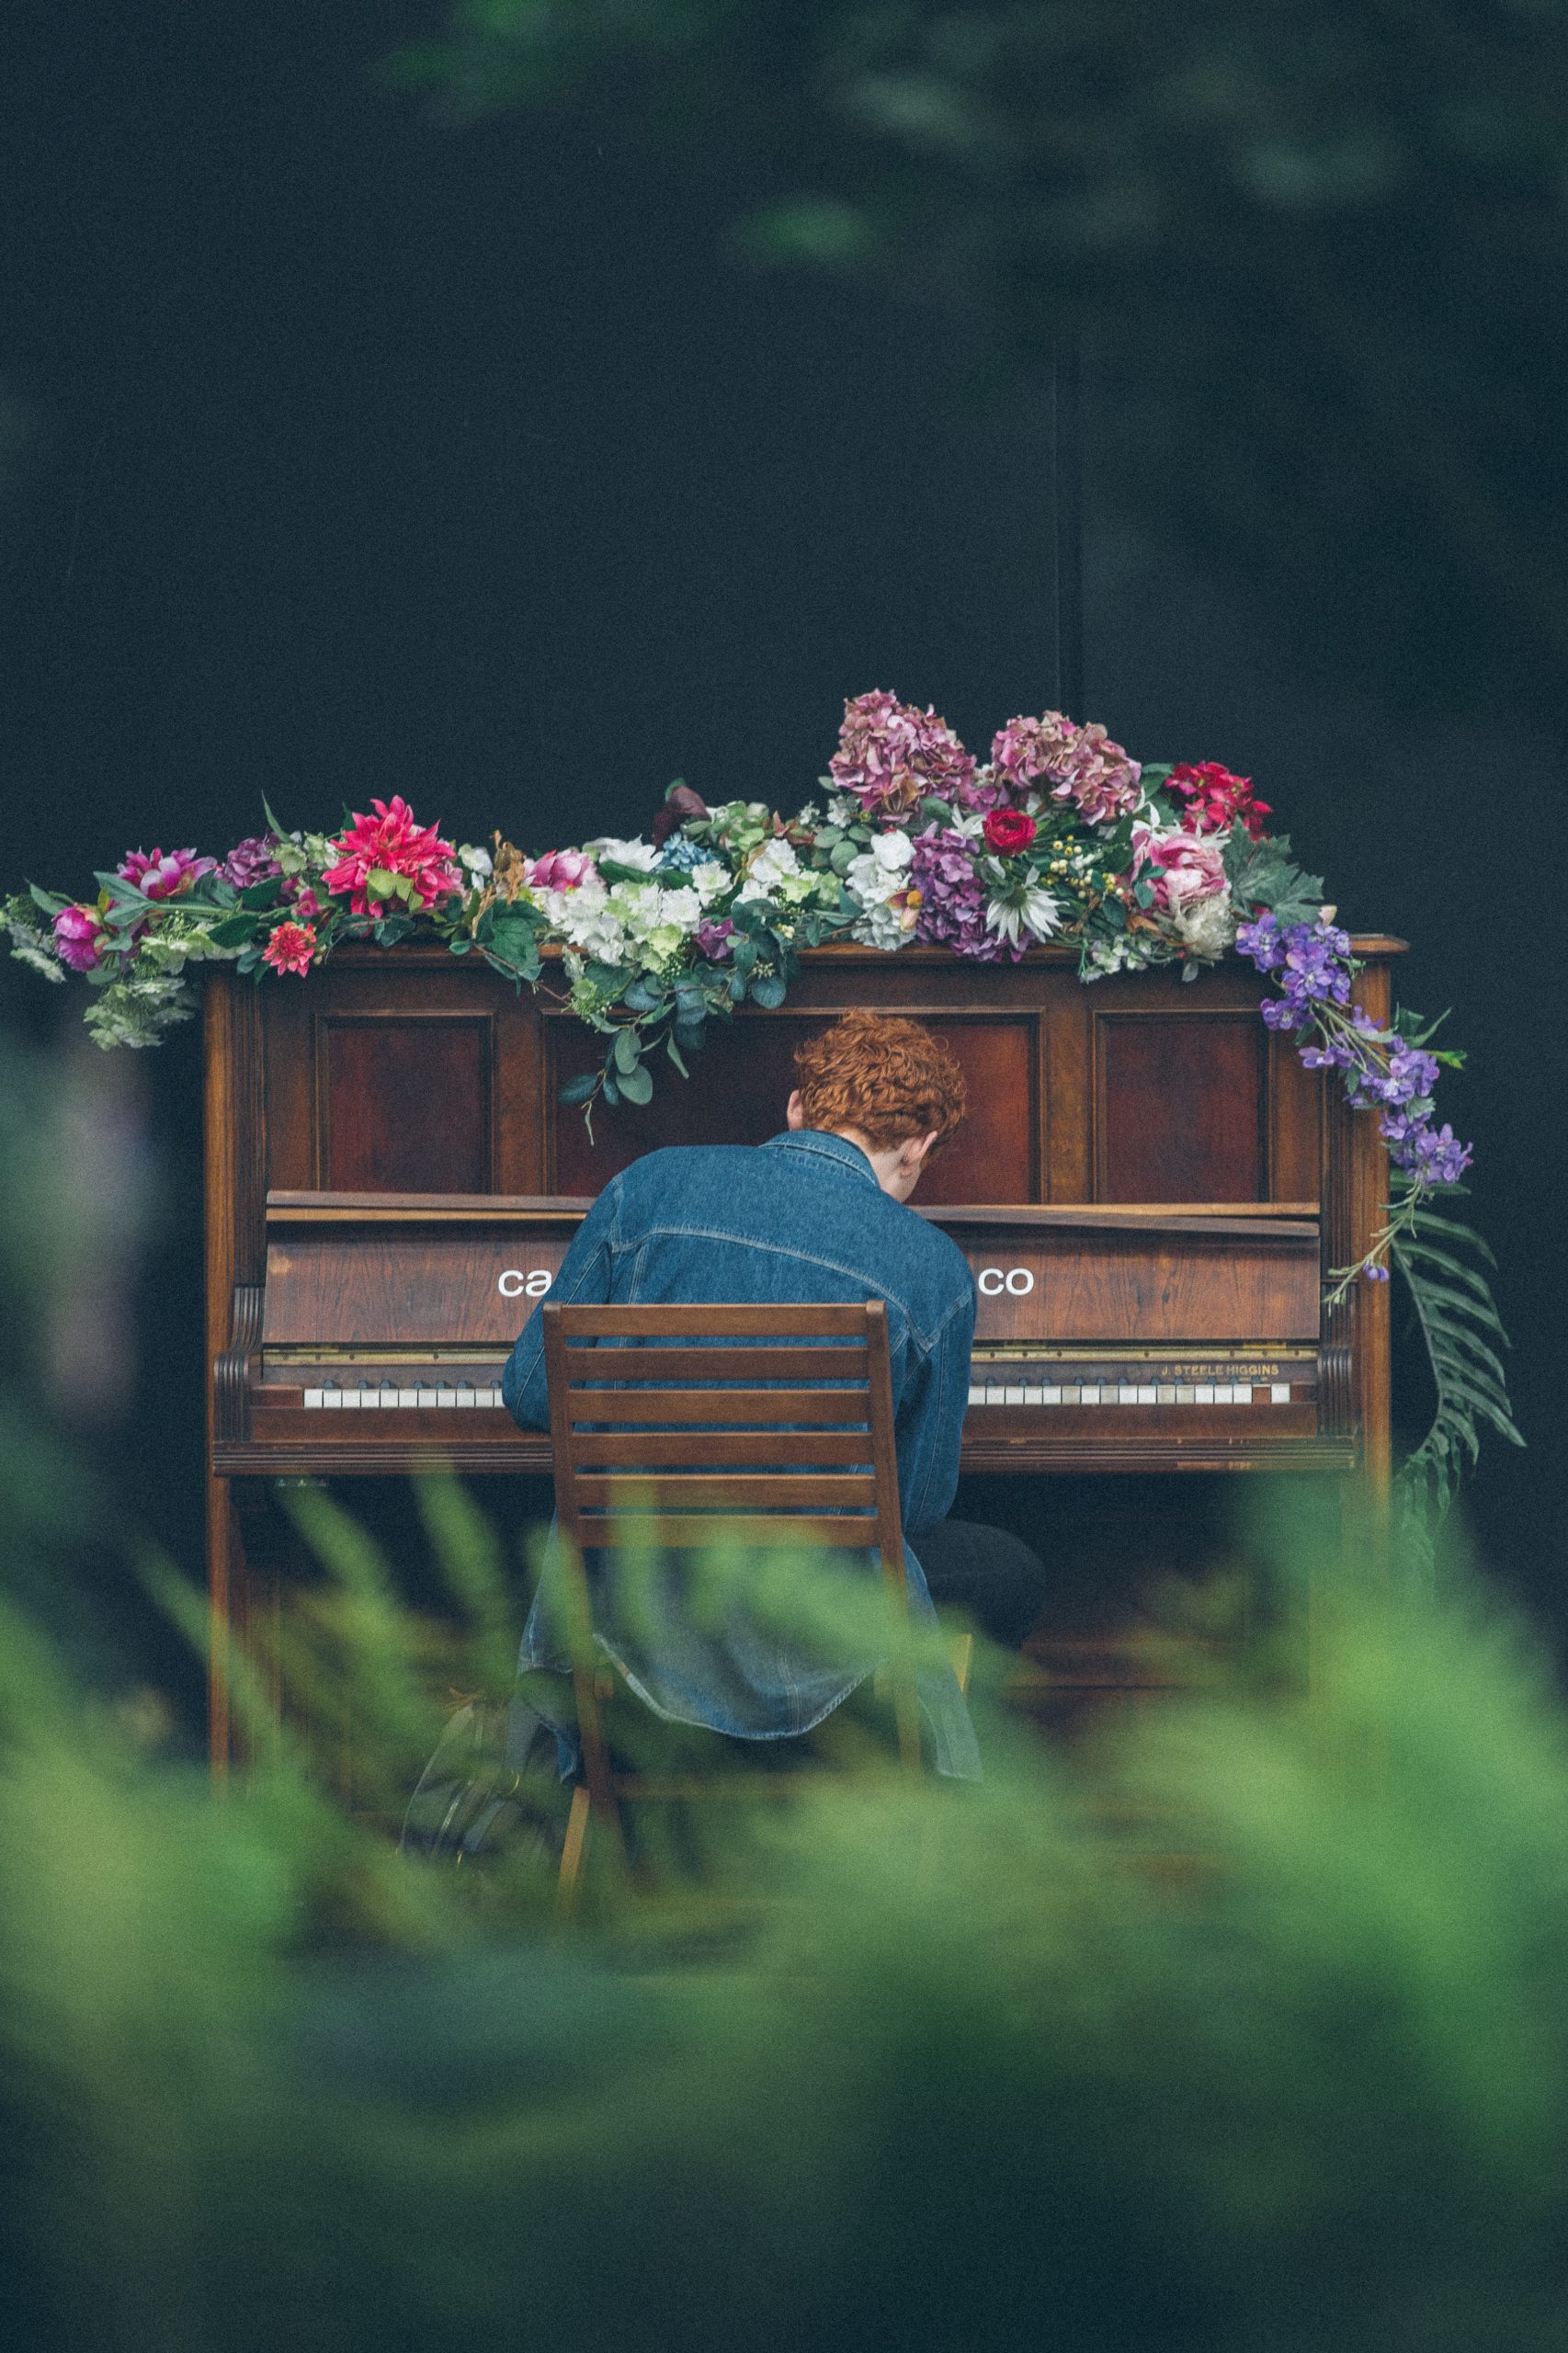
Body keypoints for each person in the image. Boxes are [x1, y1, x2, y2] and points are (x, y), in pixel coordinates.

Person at [498, 1009, 1047, 1785]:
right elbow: (917, 1506)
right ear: (921, 1147)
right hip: (805, 1638)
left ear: (798, 1106)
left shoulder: (649, 1186)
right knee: (1009, 1570)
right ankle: (848, 1772)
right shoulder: (933, 1269)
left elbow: (528, 1395)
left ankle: (629, 1771)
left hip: (632, 1612)